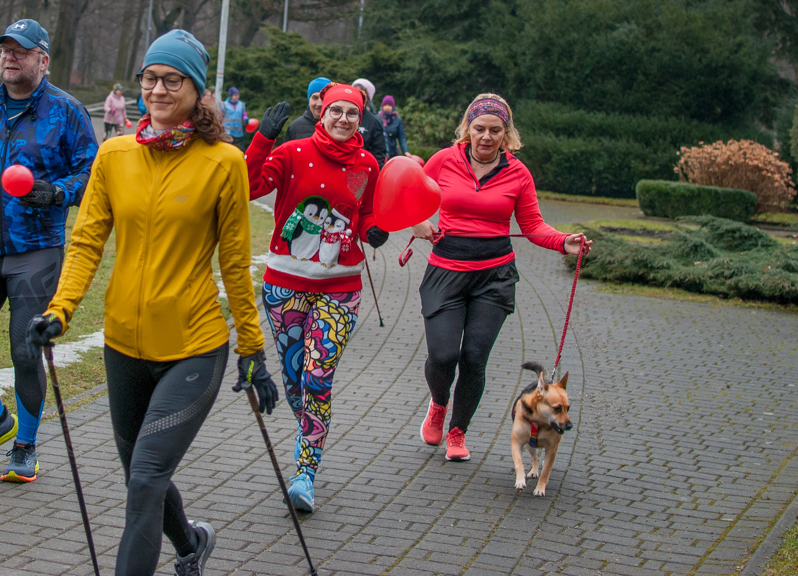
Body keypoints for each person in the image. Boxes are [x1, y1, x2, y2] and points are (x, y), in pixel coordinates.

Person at [26, 29, 278, 576]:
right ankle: (192, 544)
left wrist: (252, 348)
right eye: (150, 78)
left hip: (193, 347)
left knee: (144, 478)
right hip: (123, 346)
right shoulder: (115, 154)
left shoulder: (224, 162)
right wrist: (60, 309)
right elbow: (88, 238)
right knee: (143, 478)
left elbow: (235, 263)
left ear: (196, 90)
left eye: (172, 79)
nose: (158, 90)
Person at [0, 19, 99, 483]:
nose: (10, 56)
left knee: (26, 350)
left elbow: (92, 175)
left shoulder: (67, 112)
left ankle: (25, 445)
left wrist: (55, 192)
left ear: (42, 60)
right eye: (4, 49)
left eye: (21, 50)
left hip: (37, 251)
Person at [409, 94, 591, 462]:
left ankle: (458, 432)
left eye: (496, 130)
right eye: (479, 129)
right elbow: (410, 199)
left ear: (507, 133)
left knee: (474, 358)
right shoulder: (443, 161)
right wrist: (417, 223)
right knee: (443, 356)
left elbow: (534, 225)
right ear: (467, 129)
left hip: (493, 278)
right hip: (446, 271)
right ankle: (439, 404)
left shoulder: (518, 172)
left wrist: (564, 242)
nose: (486, 137)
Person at [244, 83, 386, 512]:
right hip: (285, 284)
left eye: (352, 114)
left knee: (318, 378)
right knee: (294, 381)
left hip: (340, 287)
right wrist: (263, 139)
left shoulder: (366, 163)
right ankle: (311, 427)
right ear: (322, 112)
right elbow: (248, 187)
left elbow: (367, 213)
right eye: (336, 111)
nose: (344, 119)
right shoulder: (292, 152)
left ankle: (306, 471)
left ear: (360, 119)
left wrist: (373, 230)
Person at [351, 78, 388, 167]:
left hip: (364, 169)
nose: (357, 96)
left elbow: (379, 152)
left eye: (362, 94)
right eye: (355, 92)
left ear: (368, 99)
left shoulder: (373, 121)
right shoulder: (342, 116)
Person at [282, 76, 331, 142]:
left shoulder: (338, 126)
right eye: (315, 98)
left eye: (323, 98)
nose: (319, 104)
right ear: (309, 100)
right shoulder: (295, 127)